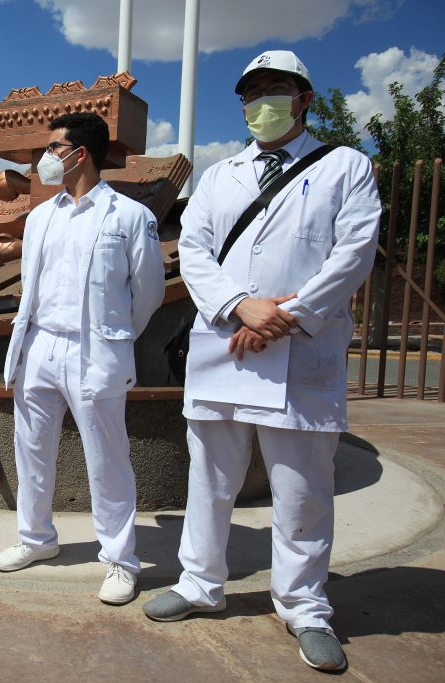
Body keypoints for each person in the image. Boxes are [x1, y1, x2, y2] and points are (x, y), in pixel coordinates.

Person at [142, 50, 382, 673]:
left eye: (277, 90)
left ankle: (303, 605)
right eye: (253, 92)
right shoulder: (222, 176)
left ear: (303, 98)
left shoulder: (345, 167)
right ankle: (200, 582)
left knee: (302, 491)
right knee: (210, 481)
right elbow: (192, 249)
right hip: (225, 345)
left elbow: (354, 253)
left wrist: (287, 317)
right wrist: (240, 307)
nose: (263, 102)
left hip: (302, 353)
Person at [0, 113, 166, 605]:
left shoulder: (130, 217)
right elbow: (32, 285)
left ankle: (120, 560)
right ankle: (35, 539)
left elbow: (148, 293)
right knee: (31, 450)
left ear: (80, 153)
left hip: (95, 351)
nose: (45, 159)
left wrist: (115, 338)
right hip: (40, 346)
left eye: (52, 148)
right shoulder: (42, 216)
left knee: (107, 459)